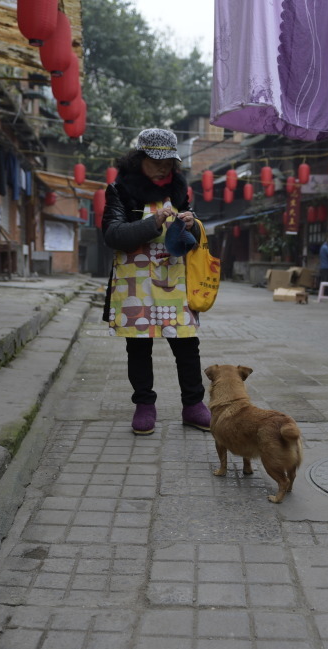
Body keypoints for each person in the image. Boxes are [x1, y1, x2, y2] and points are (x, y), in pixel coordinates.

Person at [101, 128, 211, 435]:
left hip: (174, 279)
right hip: (134, 281)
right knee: (139, 346)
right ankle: (145, 406)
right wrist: (153, 223)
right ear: (139, 159)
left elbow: (194, 238)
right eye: (155, 161)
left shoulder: (179, 190)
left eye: (168, 162)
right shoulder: (120, 189)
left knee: (187, 344)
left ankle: (193, 405)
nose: (164, 168)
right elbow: (112, 235)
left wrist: (193, 224)